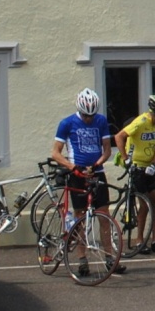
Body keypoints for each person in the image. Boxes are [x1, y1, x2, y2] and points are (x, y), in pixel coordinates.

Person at [51, 88, 124, 275]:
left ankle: (110, 258)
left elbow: (107, 150)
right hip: (77, 174)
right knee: (80, 217)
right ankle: (82, 260)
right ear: (79, 110)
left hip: (96, 173)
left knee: (104, 215)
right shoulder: (67, 123)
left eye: (91, 115)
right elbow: (56, 153)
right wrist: (72, 167)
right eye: (85, 115)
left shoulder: (101, 121)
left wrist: (97, 163)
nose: (89, 119)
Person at [113, 94, 155, 254]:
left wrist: (154, 164)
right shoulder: (141, 122)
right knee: (144, 203)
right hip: (136, 166)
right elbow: (118, 137)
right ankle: (139, 241)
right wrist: (126, 159)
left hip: (148, 167)